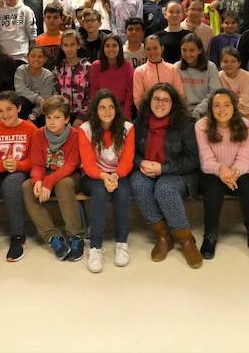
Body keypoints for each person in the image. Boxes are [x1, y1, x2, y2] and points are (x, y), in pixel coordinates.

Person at [131, 83, 203, 269]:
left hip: (179, 173)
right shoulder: (140, 122)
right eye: (156, 99)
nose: (160, 103)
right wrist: (141, 163)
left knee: (164, 188)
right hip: (148, 170)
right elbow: (131, 153)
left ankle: (185, 239)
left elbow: (192, 160)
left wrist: (163, 169)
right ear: (149, 101)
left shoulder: (185, 124)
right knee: (138, 183)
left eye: (165, 100)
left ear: (173, 103)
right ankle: (163, 235)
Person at [195, 88, 249, 261]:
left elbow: (244, 159)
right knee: (213, 190)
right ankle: (210, 234)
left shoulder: (245, 125)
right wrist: (221, 170)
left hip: (238, 172)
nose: (222, 109)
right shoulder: (202, 125)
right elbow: (206, 160)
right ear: (211, 108)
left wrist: (232, 173)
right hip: (212, 172)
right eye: (217, 105)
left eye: (227, 105)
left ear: (234, 107)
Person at [0, 91, 38, 262]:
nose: (4, 114)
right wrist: (2, 165)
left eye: (9, 109)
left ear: (18, 108)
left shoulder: (31, 129)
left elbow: (35, 159)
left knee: (11, 186)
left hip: (20, 170)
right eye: (0, 110)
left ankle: (18, 236)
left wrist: (19, 165)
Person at [22, 97, 85, 261]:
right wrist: (37, 181)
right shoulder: (38, 134)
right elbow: (37, 164)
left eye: (57, 117)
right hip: (47, 173)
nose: (52, 122)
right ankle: (52, 236)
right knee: (26, 186)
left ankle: (76, 235)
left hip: (69, 175)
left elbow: (71, 165)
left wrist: (48, 183)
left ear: (66, 119)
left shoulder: (75, 135)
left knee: (63, 185)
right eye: (48, 117)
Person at [79, 90, 135, 273]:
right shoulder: (85, 129)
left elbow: (127, 160)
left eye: (111, 107)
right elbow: (87, 163)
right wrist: (103, 176)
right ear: (95, 110)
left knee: (123, 193)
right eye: (102, 107)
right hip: (94, 175)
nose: (107, 111)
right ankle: (95, 247)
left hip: (119, 174)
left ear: (116, 109)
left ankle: (122, 243)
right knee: (100, 191)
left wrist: (116, 175)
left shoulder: (127, 128)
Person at [88, 34, 135, 120]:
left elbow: (129, 93)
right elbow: (93, 92)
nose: (111, 49)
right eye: (107, 46)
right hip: (101, 110)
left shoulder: (127, 66)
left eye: (114, 46)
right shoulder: (95, 66)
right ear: (103, 48)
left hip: (122, 110)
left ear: (120, 48)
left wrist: (126, 114)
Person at [133, 34, 186, 107]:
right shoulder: (139, 72)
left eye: (155, 48)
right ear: (144, 51)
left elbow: (180, 95)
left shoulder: (172, 69)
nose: (152, 52)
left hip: (171, 112)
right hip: (148, 114)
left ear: (162, 48)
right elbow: (138, 99)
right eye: (148, 49)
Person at [177, 34, 221, 119]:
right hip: (183, 112)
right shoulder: (176, 67)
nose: (187, 54)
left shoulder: (210, 67)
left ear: (200, 50)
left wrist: (198, 111)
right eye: (184, 50)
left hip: (206, 111)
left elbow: (215, 93)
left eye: (192, 50)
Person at [53, 30, 92, 126]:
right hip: (62, 115)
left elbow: (91, 94)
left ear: (78, 45)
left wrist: (82, 116)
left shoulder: (86, 67)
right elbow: (55, 93)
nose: (69, 49)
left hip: (83, 116)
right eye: (66, 45)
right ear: (62, 47)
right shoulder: (58, 67)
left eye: (72, 45)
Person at [14, 45, 55, 123]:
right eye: (33, 56)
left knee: (48, 107)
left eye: (40, 57)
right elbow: (20, 90)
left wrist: (33, 116)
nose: (36, 59)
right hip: (24, 106)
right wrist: (39, 99)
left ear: (45, 59)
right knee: (20, 101)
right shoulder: (21, 70)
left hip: (39, 110)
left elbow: (45, 100)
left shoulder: (48, 75)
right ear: (27, 57)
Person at [218, 47, 249, 118]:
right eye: (225, 61)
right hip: (231, 108)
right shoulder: (219, 76)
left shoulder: (247, 76)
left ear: (239, 63)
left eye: (233, 61)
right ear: (220, 63)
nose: (229, 64)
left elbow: (245, 99)